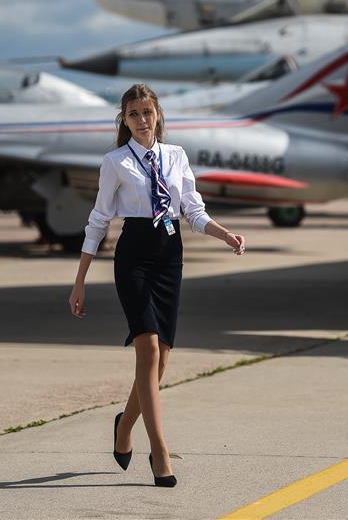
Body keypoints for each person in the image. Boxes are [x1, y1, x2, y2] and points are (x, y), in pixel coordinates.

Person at [68, 84, 245, 488]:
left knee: (161, 360)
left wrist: (226, 234)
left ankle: (124, 426)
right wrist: (79, 280)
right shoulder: (115, 162)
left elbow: (192, 211)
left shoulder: (176, 156)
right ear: (125, 120)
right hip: (133, 256)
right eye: (133, 114)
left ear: (158, 115)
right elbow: (98, 221)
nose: (142, 120)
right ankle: (160, 452)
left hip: (170, 257)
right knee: (147, 347)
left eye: (148, 112)